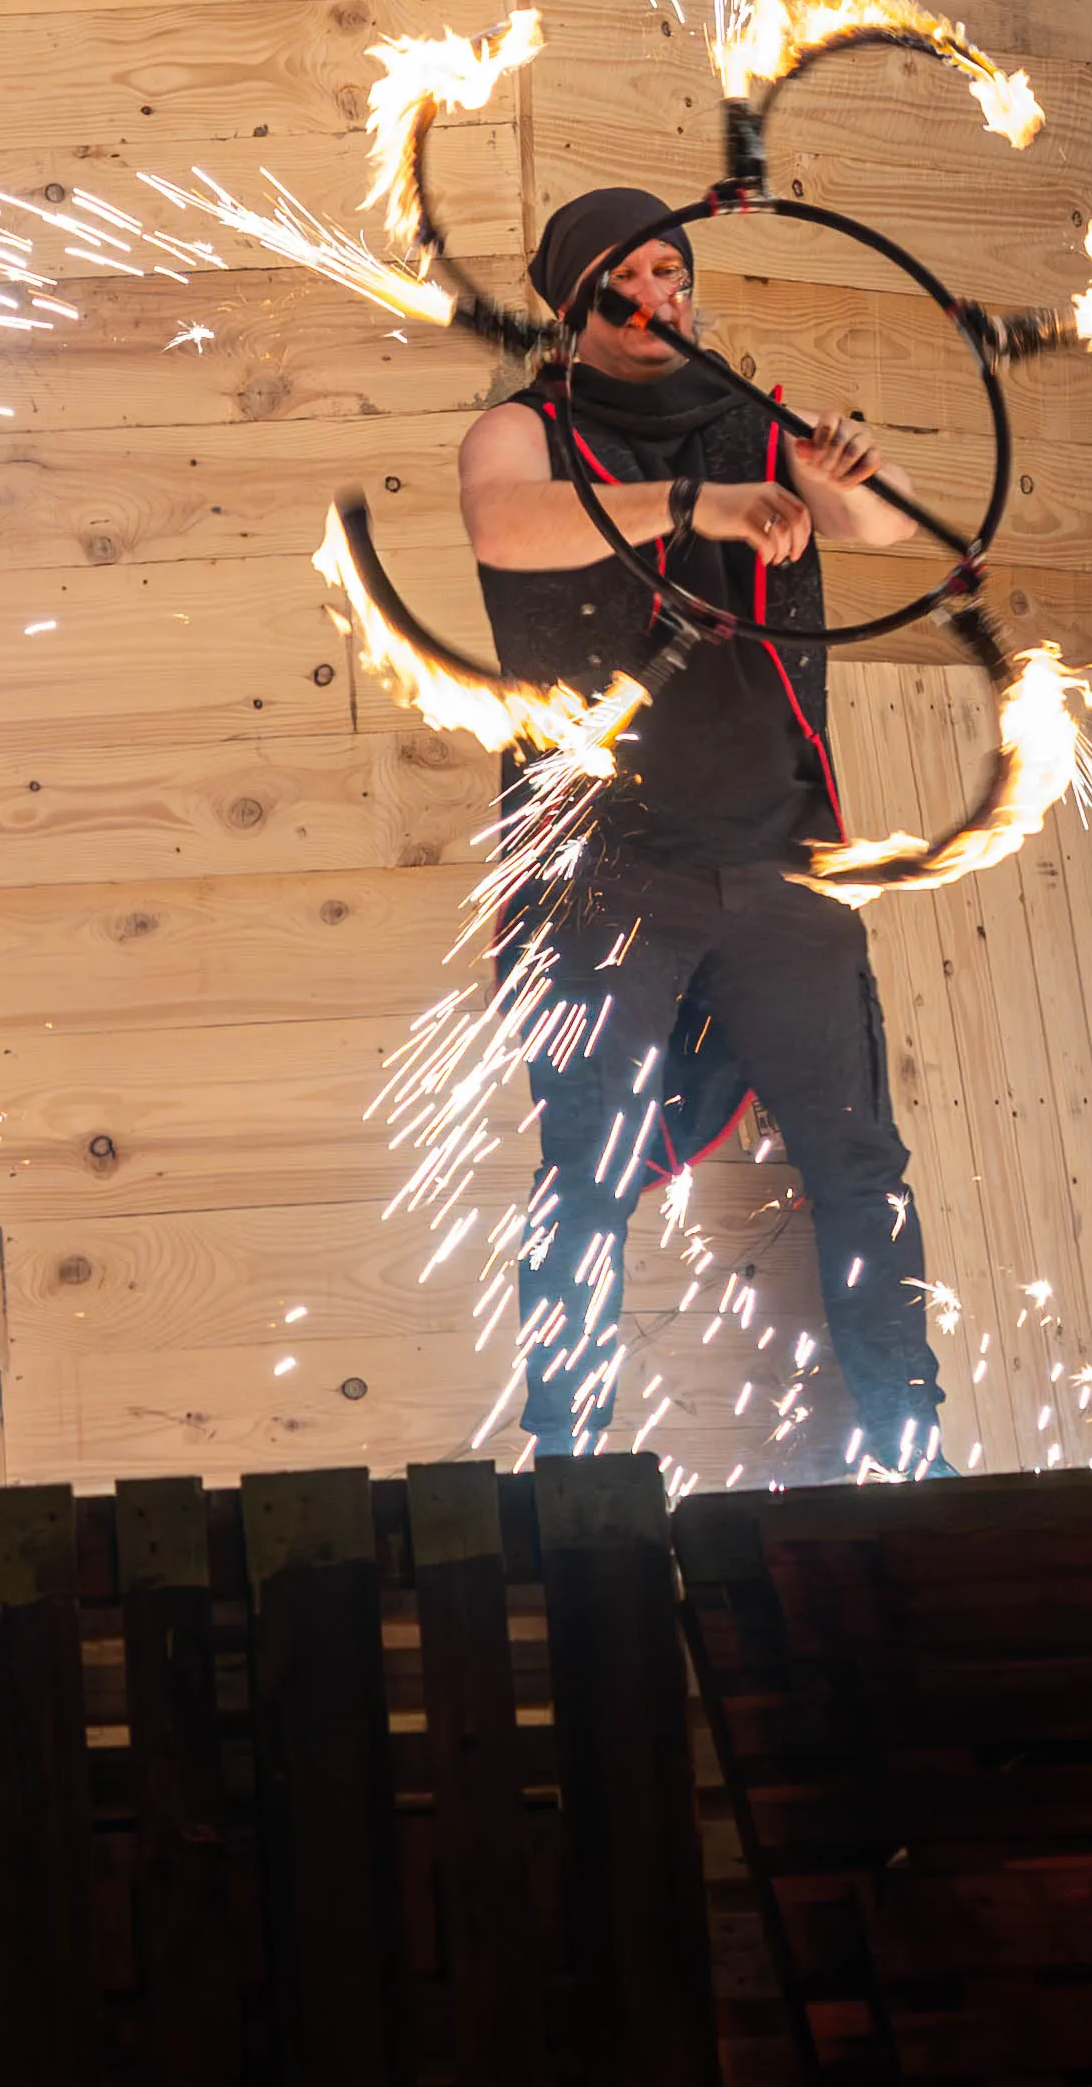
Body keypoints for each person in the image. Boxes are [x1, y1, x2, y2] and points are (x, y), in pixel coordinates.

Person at [467, 190, 954, 1475]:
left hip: (785, 856)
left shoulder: (754, 414)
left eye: (671, 269)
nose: (659, 293)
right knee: (586, 1167)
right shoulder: (525, 429)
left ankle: (913, 1443)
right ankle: (570, 1465)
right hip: (604, 872)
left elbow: (886, 524)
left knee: (858, 1158)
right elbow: (507, 525)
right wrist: (699, 503)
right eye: (627, 275)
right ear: (577, 305)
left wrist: (848, 471)